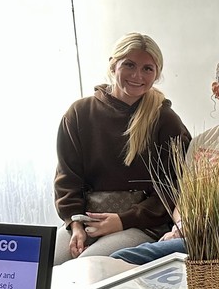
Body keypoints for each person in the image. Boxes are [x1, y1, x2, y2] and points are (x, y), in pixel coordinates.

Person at [111, 56, 219, 265]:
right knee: (126, 265)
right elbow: (184, 198)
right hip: (187, 235)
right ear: (216, 89)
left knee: (121, 258)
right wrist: (180, 227)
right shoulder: (201, 141)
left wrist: (194, 232)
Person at [54, 32, 190, 265]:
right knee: (43, 265)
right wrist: (75, 224)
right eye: (129, 65)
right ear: (112, 64)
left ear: (157, 74)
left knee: (86, 267)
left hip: (142, 224)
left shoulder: (165, 120)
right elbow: (67, 178)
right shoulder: (79, 113)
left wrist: (122, 220)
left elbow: (174, 189)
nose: (138, 75)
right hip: (85, 219)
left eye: (148, 68)